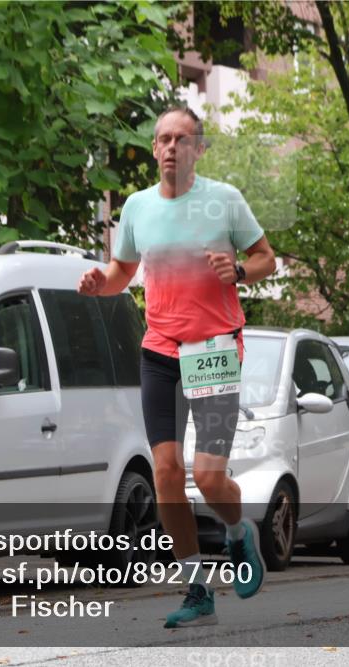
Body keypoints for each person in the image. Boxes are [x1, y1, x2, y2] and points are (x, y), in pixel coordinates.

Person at [77, 106, 277, 628]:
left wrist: (237, 269)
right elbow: (123, 270)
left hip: (213, 351)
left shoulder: (224, 200)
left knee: (210, 479)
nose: (170, 147)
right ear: (154, 149)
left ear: (198, 149)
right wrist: (103, 283)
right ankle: (196, 587)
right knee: (166, 472)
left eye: (181, 139)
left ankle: (239, 534)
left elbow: (265, 259)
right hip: (161, 351)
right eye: (163, 139)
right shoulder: (138, 207)